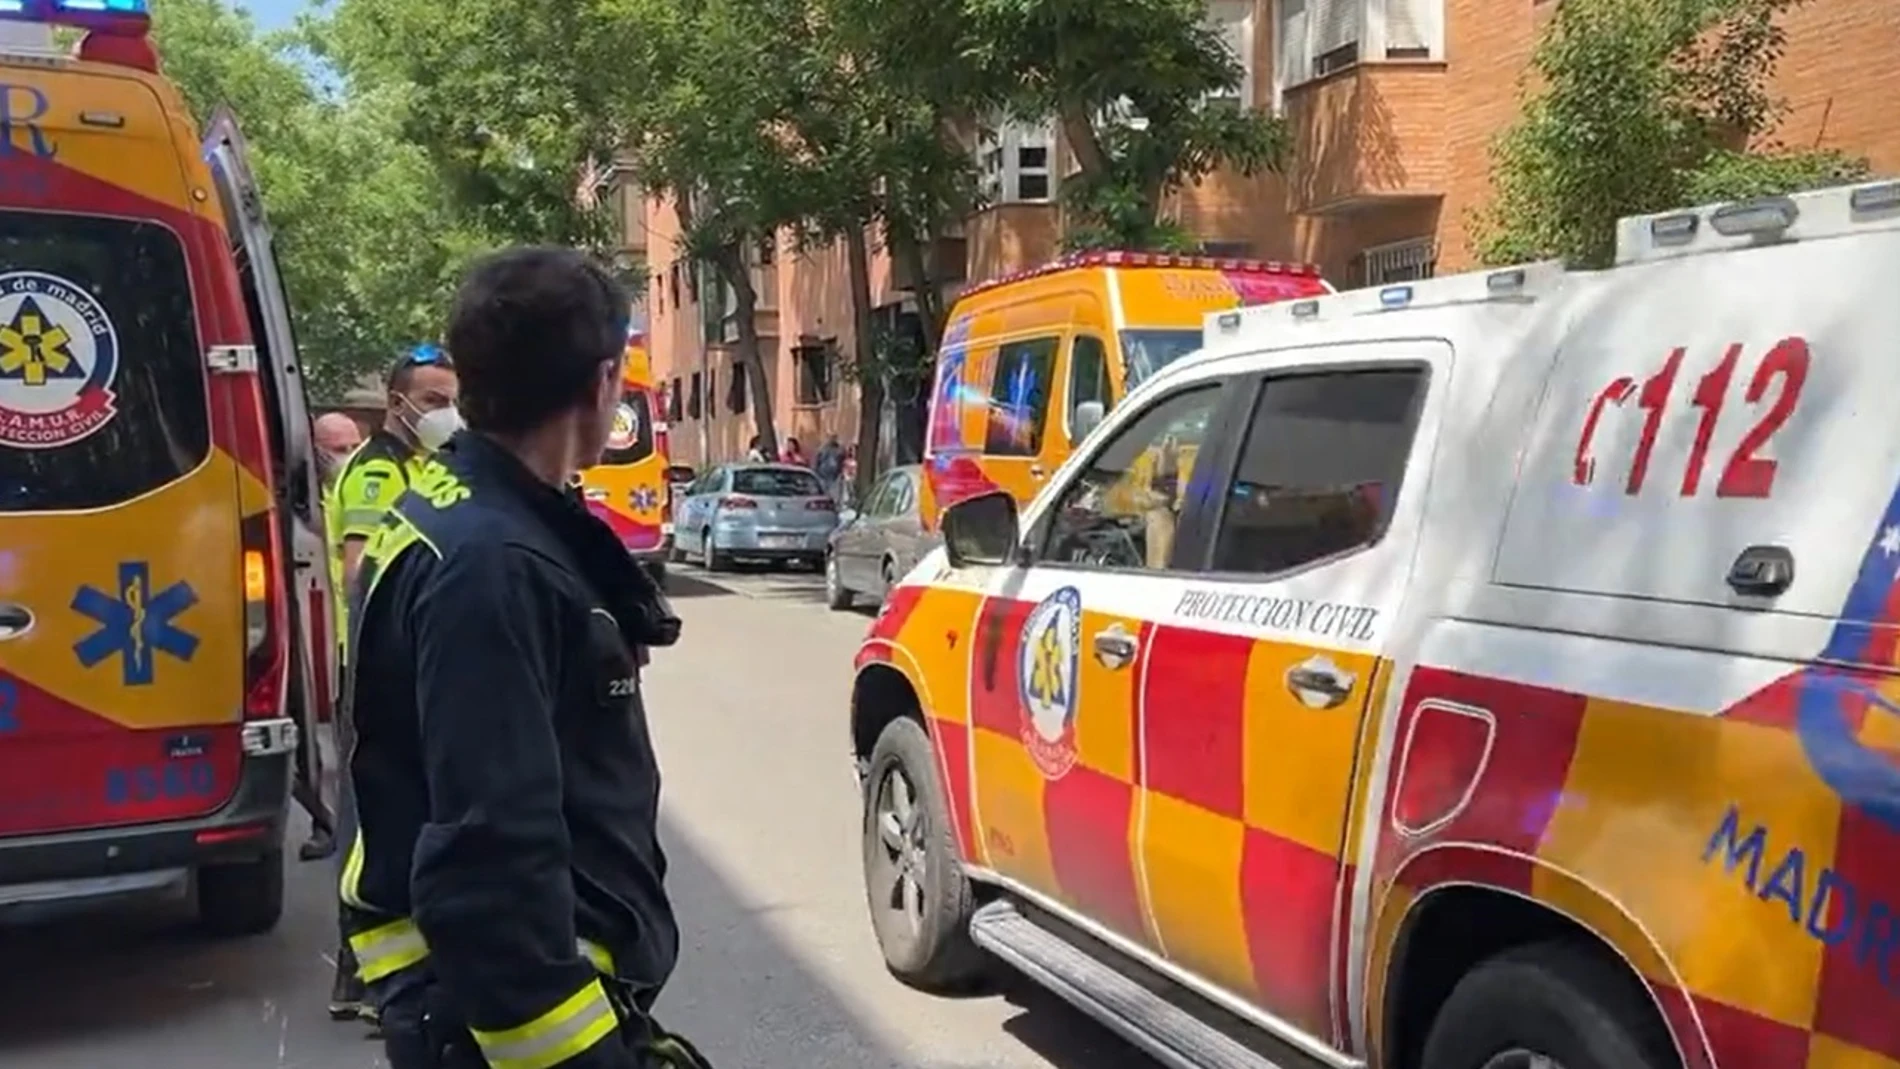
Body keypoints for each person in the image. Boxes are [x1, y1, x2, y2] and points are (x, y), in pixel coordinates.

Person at [340, 247, 705, 1069]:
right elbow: (490, 854)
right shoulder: (495, 565)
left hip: (469, 1000)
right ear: (602, 382)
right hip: (511, 1026)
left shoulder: (466, 510)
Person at [324, 345, 461, 1024]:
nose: (445, 413)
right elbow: (362, 572)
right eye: (433, 401)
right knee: (371, 815)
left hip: (401, 661)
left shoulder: (420, 464)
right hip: (376, 664)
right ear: (397, 402)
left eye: (451, 400)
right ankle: (359, 974)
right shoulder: (376, 470)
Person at [295, 414, 364, 864]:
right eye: (337, 447)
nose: (347, 455)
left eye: (354, 444)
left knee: (349, 742)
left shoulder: (356, 485)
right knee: (320, 743)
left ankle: (343, 826)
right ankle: (330, 823)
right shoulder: (305, 501)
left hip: (349, 633)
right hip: (317, 634)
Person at [811, 434, 844, 501]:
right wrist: (815, 470)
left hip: (834, 474)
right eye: (831, 438)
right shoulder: (823, 448)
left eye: (834, 438)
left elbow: (841, 460)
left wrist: (840, 471)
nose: (832, 439)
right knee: (823, 488)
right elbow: (818, 459)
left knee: (833, 490)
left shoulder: (839, 449)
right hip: (823, 473)